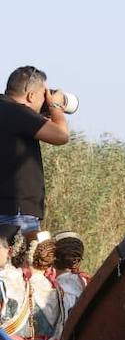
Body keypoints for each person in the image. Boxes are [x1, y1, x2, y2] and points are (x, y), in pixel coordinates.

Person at [1, 66, 70, 235]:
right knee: (21, 261)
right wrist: (55, 107)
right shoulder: (19, 113)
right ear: (31, 96)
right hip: (17, 212)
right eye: (43, 95)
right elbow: (61, 136)